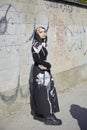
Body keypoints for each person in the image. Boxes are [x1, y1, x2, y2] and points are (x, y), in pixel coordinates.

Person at [29, 26, 62, 125]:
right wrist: (46, 64)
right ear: (36, 34)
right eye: (41, 32)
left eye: (44, 32)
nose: (43, 33)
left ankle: (40, 114)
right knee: (45, 93)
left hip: (44, 71)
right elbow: (36, 59)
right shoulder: (36, 44)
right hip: (40, 71)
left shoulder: (42, 44)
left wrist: (46, 65)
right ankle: (49, 116)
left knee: (45, 92)